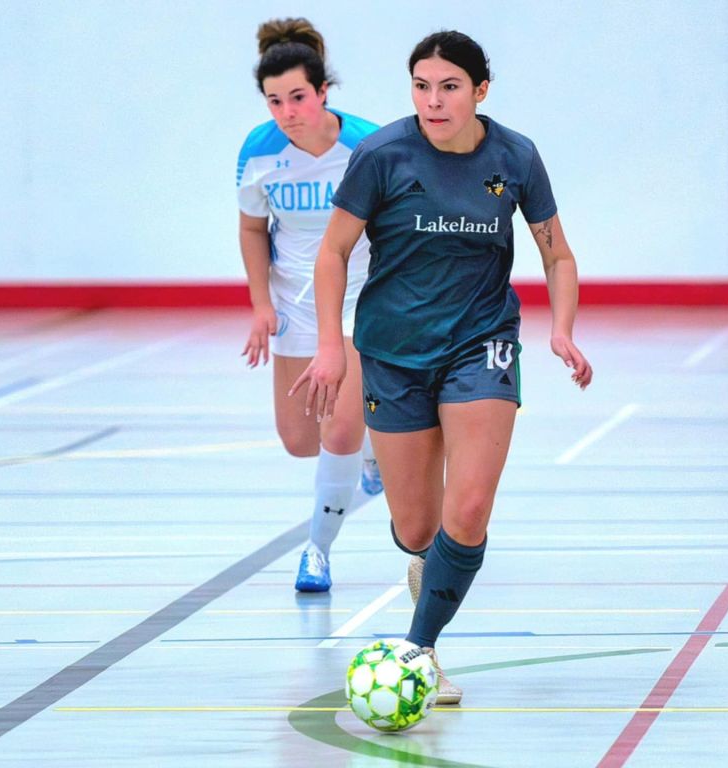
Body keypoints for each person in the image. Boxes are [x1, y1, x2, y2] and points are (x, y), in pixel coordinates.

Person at [290, 30, 593, 703]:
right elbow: (333, 252)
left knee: (471, 506)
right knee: (418, 529)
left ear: (480, 91)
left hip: (482, 343)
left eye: (449, 87)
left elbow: (557, 254)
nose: (433, 100)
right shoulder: (382, 155)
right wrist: (332, 345)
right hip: (392, 352)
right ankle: (425, 570)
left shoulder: (515, 156)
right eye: (422, 87)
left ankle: (418, 649)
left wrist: (562, 329)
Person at [237, 18, 383, 593]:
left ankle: (317, 552)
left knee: (338, 430)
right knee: (301, 440)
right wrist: (260, 304)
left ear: (323, 91)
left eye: (297, 97)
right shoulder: (259, 152)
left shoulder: (367, 146)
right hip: (294, 302)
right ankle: (374, 453)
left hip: (359, 296)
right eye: (275, 101)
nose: (287, 112)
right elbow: (252, 229)